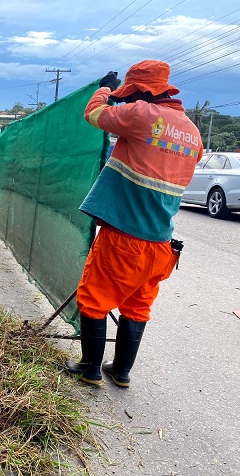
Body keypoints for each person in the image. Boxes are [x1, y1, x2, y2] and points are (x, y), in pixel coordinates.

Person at [66, 60, 203, 387]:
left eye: (131, 94)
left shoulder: (143, 114)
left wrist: (106, 89)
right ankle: (122, 371)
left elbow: (94, 115)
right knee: (137, 305)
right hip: (160, 243)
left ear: (142, 91)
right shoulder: (193, 133)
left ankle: (89, 368)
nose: (128, 100)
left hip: (123, 237)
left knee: (93, 298)